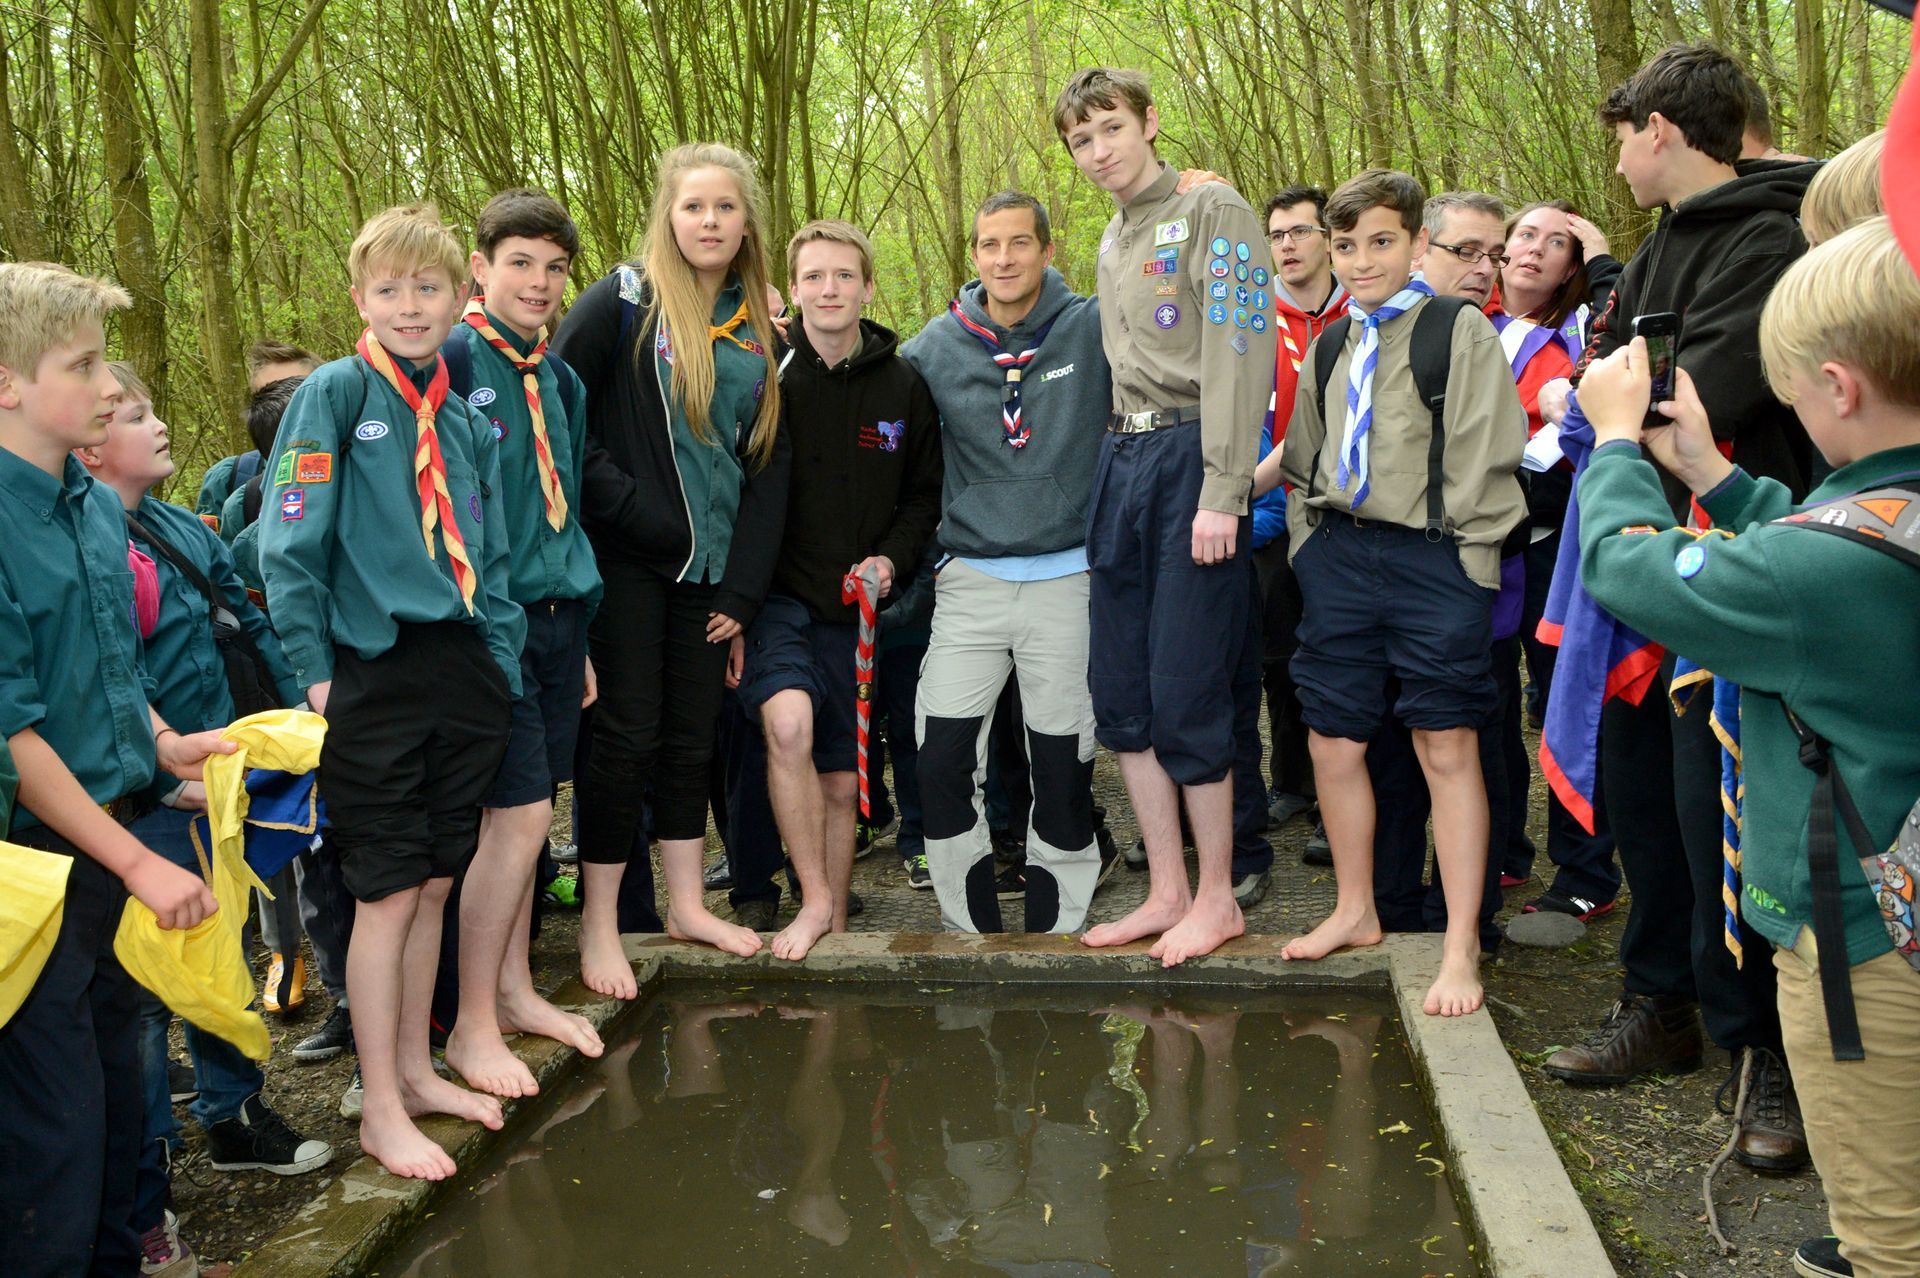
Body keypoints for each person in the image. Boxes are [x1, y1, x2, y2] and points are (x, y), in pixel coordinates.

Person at [1573, 215, 1920, 1278]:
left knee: (1887, 1234)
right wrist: (1718, 476)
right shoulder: (1879, 518)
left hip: (1864, 944)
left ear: (1840, 389)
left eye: (1797, 396)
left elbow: (1628, 569)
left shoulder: (1811, 573)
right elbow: (1830, 546)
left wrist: (1621, 445)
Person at [1543, 43, 1820, 1175]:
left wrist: (1615, 397)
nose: (1615, 158)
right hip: (1637, 564)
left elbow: (1700, 393)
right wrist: (1611, 392)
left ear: (1662, 127)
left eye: (1622, 135)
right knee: (1645, 797)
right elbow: (1611, 367)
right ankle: (1660, 1005)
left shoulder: (1777, 235)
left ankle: (1779, 1059)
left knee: (1735, 815)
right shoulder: (1658, 247)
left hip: (1732, 550)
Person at [260, 203, 524, 1180]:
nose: (409, 306)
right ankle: (378, 1101)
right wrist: (321, 678)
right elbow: (286, 546)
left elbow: (487, 547)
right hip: (369, 672)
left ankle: (416, 1071)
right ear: (358, 297)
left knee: (432, 883)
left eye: (428, 288)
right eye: (388, 289)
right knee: (382, 894)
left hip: (460, 668)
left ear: (461, 298)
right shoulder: (331, 397)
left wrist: (496, 660)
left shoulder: (461, 408)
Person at [0, 261, 227, 1275]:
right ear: (7, 383)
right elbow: (14, 734)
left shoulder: (92, 506)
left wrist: (162, 742)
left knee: (121, 1102)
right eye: (83, 365)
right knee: (51, 1131)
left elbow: (101, 659)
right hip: (29, 866)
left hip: (112, 840)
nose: (107, 388)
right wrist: (139, 865)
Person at [81, 361, 332, 1269]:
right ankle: (148, 1186)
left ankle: (233, 1114)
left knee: (227, 946)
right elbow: (115, 674)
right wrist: (160, 771)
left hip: (223, 776)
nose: (156, 426)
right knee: (151, 991)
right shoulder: (91, 538)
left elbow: (248, 620)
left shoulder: (184, 523)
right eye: (134, 414)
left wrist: (299, 715)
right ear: (87, 438)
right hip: (155, 796)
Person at [1259, 168, 1527, 1015]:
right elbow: (1300, 459)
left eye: (1380, 241)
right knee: (1334, 744)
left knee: (1446, 748)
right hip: (1339, 560)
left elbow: (1493, 457)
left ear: (1416, 244)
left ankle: (1457, 947)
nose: (1361, 260)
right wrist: (1292, 536)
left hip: (1434, 562)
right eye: (1345, 245)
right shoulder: (1335, 342)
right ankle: (1356, 907)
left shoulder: (1458, 330)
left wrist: (1465, 565)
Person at [550, 142, 788, 989]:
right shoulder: (623, 300)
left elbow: (764, 469)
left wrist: (744, 591)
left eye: (725, 207)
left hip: (709, 580)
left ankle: (690, 907)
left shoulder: (762, 324)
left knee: (693, 743)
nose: (710, 221)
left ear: (745, 219)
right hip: (625, 564)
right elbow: (553, 410)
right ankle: (606, 927)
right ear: (669, 216)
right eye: (694, 207)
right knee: (624, 740)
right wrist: (632, 509)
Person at [1056, 67, 1277, 966]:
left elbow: (1239, 348)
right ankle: (1167, 890)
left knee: (1190, 691)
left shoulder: (1213, 211)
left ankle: (1218, 896)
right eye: (1081, 140)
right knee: (1124, 696)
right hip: (1122, 461)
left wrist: (1224, 489)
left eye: (1111, 128)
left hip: (1193, 457)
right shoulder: (1114, 234)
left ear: (1149, 123)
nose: (1099, 150)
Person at [899, 190, 1111, 936]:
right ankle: (969, 920)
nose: (1004, 260)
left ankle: (1059, 922)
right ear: (974, 256)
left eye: (1019, 244)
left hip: (1068, 575)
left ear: (1048, 250)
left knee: (1061, 760)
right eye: (990, 246)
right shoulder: (933, 346)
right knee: (942, 756)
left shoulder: (1093, 327)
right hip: (972, 579)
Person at [438, 188, 606, 1098]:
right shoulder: (455, 359)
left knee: (528, 819)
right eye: (520, 264)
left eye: (553, 268)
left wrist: (574, 638)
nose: (539, 284)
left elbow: (563, 503)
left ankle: (511, 988)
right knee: (513, 820)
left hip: (557, 618)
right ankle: (468, 1023)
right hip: (486, 625)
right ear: (480, 266)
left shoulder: (559, 377)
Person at [739, 218, 941, 960]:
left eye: (844, 276)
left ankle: (835, 923)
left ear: (866, 287)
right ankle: (816, 899)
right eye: (815, 277)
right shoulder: (764, 375)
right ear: (793, 289)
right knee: (786, 726)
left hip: (853, 611)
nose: (830, 290)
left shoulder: (903, 383)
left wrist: (890, 563)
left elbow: (924, 496)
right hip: (776, 600)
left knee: (837, 777)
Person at [1494, 200, 1624, 920]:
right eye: (1525, 236)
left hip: (1550, 549)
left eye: (1559, 244)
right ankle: (1503, 852)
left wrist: (1601, 252)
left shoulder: (1582, 332)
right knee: (1490, 706)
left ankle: (1585, 873)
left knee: (1567, 705)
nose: (1536, 251)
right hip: (1474, 547)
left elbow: (1626, 309)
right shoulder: (1461, 317)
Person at [1260, 184, 1349, 846]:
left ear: (1328, 239)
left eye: (1299, 231)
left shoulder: (1360, 314)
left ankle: (1334, 801)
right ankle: (1289, 782)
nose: (1287, 245)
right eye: (1277, 235)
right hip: (1269, 510)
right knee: (1278, 656)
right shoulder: (1251, 320)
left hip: (1346, 510)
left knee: (1336, 655)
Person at [194, 340, 320, 526]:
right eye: (272, 394)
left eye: (301, 390)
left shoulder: (355, 464)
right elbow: (214, 551)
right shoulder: (230, 478)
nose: (287, 402)